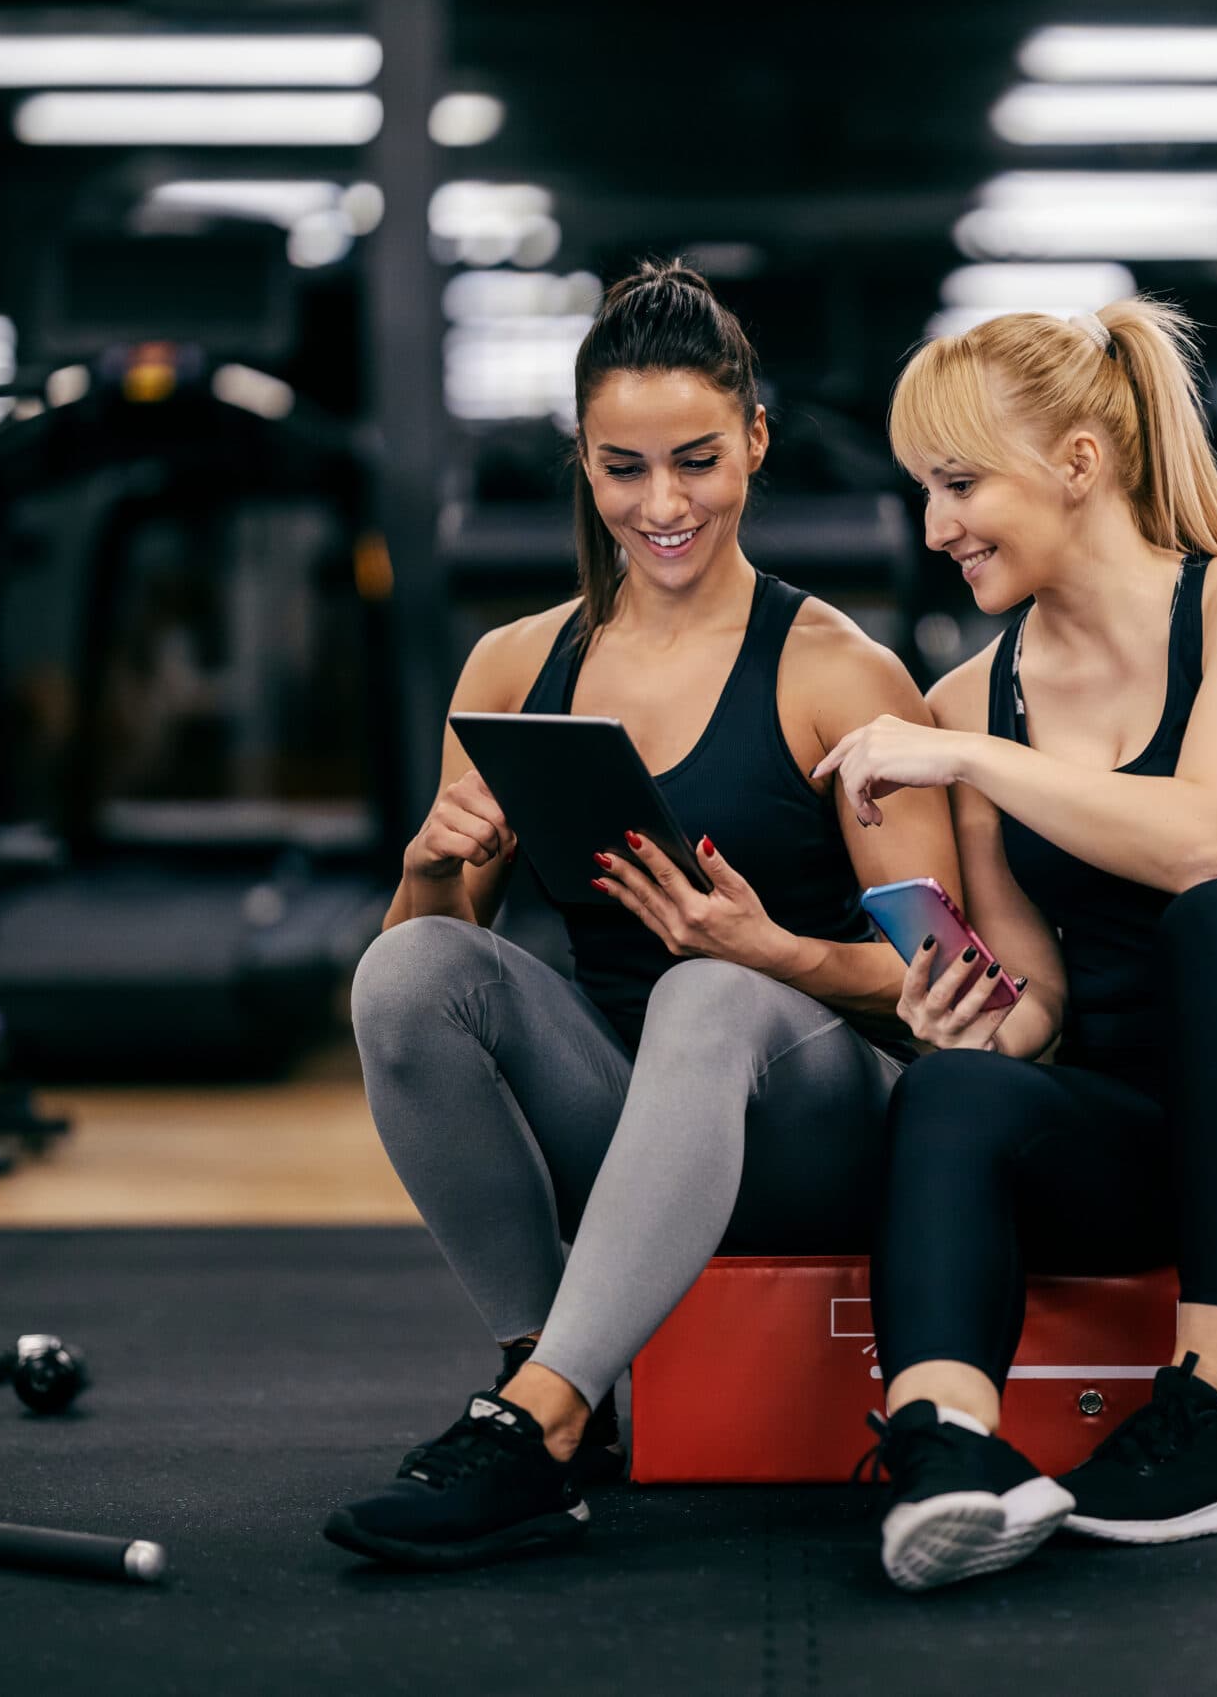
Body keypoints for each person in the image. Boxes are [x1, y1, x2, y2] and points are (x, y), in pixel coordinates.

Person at [817, 300, 1217, 1592]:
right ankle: (948, 1449)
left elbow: (1211, 841)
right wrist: (967, 1019)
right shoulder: (972, 698)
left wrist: (972, 759)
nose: (936, 527)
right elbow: (1039, 997)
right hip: (1167, 1144)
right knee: (951, 1093)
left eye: (960, 484)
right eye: (925, 492)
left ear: (1079, 462)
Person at [326, 262, 957, 1570]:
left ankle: (537, 1422)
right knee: (408, 972)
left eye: (697, 462)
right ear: (584, 459)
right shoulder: (518, 664)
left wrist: (773, 953)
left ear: (756, 443)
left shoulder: (837, 674)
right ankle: (551, 1381)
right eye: (624, 469)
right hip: (631, 1129)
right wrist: (435, 865)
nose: (662, 505)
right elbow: (417, 979)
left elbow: (956, 980)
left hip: (816, 1128)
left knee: (709, 990)